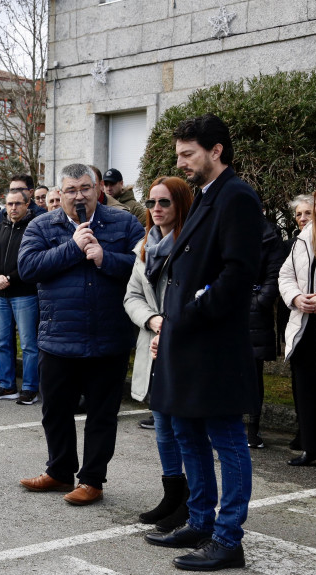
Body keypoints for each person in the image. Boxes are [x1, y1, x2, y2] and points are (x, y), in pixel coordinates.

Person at [146, 114, 264, 572]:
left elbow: (239, 273)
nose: (181, 162)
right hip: (185, 339)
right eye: (179, 154)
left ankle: (228, 538)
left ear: (216, 151)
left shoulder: (236, 196)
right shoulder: (207, 196)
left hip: (213, 343)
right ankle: (199, 520)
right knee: (186, 432)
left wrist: (194, 309)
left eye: (188, 154)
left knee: (227, 439)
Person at [18, 163, 144, 507]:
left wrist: (106, 258)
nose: (79, 196)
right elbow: (27, 268)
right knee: (55, 410)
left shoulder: (125, 223)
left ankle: (92, 480)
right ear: (61, 192)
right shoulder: (42, 224)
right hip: (59, 335)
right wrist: (72, 247)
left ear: (98, 187)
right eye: (71, 190)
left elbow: (146, 269)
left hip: (109, 336)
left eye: (85, 188)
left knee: (102, 414)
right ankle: (59, 471)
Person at [123, 176, 193, 533]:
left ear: (181, 204)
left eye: (164, 202)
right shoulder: (144, 246)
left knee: (183, 428)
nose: (157, 209)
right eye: (151, 203)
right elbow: (131, 296)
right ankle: (172, 496)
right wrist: (152, 319)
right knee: (163, 426)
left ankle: (191, 503)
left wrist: (170, 325)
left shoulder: (192, 244)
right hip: (154, 342)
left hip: (182, 344)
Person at [278, 183, 316, 467]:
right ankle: (310, 447)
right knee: (307, 391)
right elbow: (285, 275)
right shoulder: (302, 239)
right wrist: (296, 297)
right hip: (304, 329)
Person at [0, 187, 40, 403]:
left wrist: (10, 278)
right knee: (2, 342)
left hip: (24, 294)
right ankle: (7, 386)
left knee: (28, 344)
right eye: (9, 204)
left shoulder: (34, 229)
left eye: (18, 203)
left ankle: (29, 388)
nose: (13, 208)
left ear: (27, 205)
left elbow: (33, 260)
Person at [246, 216, 288, 448]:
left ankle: (253, 428)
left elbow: (275, 276)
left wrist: (257, 302)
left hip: (255, 313)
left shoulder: (270, 237)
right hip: (228, 310)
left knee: (254, 373)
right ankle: (227, 424)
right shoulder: (226, 228)